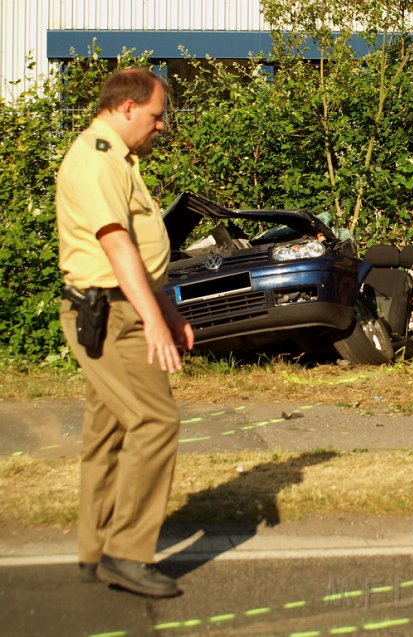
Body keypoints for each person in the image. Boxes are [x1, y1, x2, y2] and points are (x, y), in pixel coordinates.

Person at [56, 67, 194, 596]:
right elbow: (117, 248)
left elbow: (139, 250)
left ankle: (94, 549)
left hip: (118, 306)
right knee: (155, 422)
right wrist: (154, 320)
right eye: (158, 116)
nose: (161, 127)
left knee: (109, 431)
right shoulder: (95, 161)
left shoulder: (117, 160)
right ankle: (127, 552)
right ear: (128, 107)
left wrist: (166, 308)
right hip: (111, 314)